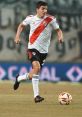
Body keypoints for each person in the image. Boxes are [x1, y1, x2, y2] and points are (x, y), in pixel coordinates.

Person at [13, 1, 63, 103]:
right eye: (42, 9)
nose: (45, 11)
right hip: (32, 48)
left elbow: (58, 30)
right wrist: (17, 36)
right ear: (37, 9)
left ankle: (19, 78)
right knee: (37, 68)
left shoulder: (50, 19)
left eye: (46, 9)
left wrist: (60, 36)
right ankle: (36, 96)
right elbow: (21, 26)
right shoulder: (31, 18)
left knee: (34, 73)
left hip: (44, 51)